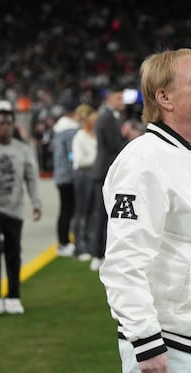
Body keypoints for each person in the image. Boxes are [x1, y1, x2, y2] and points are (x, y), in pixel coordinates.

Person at [98, 48, 191, 373]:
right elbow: (124, 263)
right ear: (164, 97)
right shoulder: (145, 160)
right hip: (165, 346)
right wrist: (145, 341)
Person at [0, 109, 42, 317]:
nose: (5, 127)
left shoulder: (23, 149)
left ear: (13, 126)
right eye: (1, 123)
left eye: (8, 123)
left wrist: (36, 202)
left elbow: (31, 177)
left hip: (14, 209)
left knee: (14, 252)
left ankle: (13, 296)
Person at [88, 85, 125, 271]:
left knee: (105, 215)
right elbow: (114, 145)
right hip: (104, 171)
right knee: (102, 215)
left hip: (105, 170)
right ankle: (97, 254)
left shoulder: (111, 116)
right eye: (119, 98)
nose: (122, 102)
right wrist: (131, 141)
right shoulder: (108, 117)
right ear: (110, 99)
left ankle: (100, 253)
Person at [52, 99, 80, 257]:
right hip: (68, 176)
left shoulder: (59, 128)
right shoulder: (70, 130)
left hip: (60, 175)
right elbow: (72, 154)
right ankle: (64, 242)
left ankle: (63, 242)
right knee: (68, 210)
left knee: (64, 209)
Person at [71, 104, 98, 261]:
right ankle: (79, 247)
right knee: (82, 212)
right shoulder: (79, 137)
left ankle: (90, 244)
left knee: (92, 213)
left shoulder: (93, 135)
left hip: (92, 175)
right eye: (92, 120)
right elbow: (79, 161)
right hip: (82, 176)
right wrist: (97, 156)